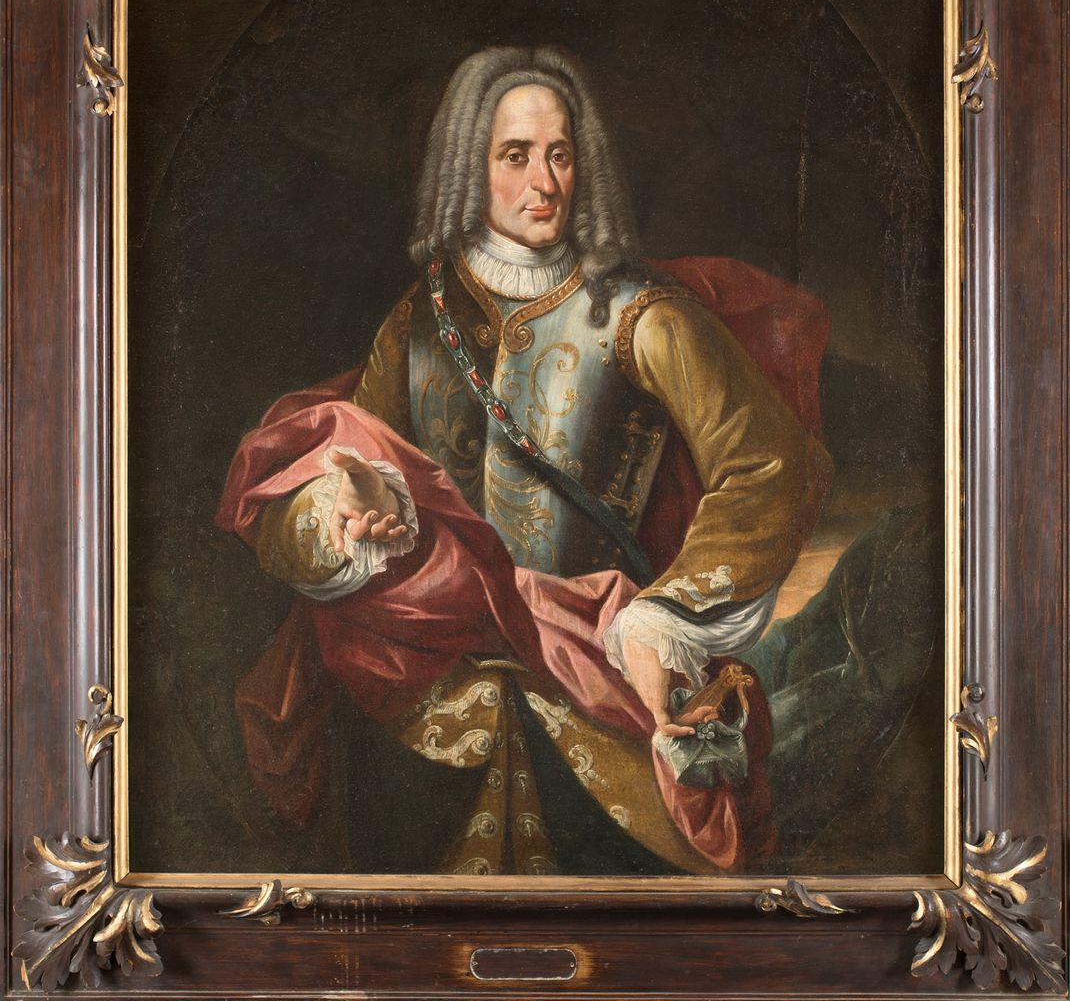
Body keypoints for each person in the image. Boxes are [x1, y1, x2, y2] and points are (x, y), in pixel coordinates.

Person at [217, 46, 833, 875]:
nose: (544, 182)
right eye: (515, 156)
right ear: (469, 168)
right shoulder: (419, 321)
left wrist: (663, 620)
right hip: (424, 685)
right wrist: (349, 513)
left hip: (592, 675)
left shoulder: (643, 316)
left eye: (560, 155)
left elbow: (770, 467)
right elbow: (351, 457)